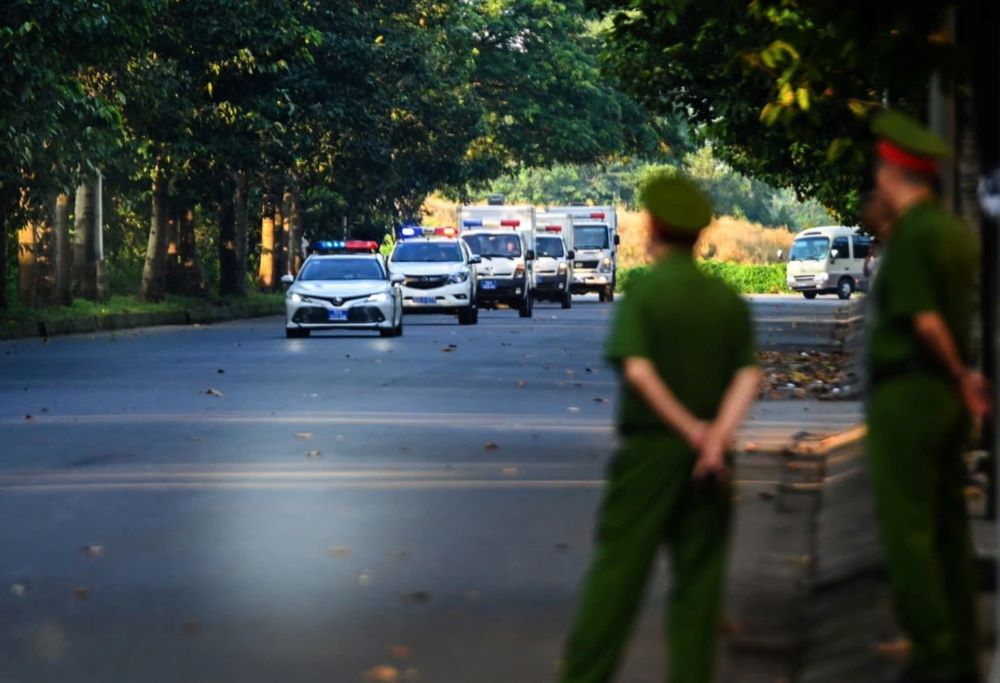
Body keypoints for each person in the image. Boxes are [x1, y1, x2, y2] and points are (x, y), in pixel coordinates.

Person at [559, 175, 762, 683]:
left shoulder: (646, 292)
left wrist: (692, 431)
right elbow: (749, 374)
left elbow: (639, 371)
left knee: (617, 578)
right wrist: (715, 439)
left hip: (652, 454)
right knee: (699, 588)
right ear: (699, 233)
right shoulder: (725, 299)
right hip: (711, 461)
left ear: (652, 226)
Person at [865, 109, 993, 683]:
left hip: (911, 393)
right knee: (947, 530)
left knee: (908, 534)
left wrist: (960, 374)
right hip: (941, 399)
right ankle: (959, 652)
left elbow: (925, 321)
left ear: (895, 172)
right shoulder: (951, 232)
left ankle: (933, 656)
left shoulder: (916, 234)